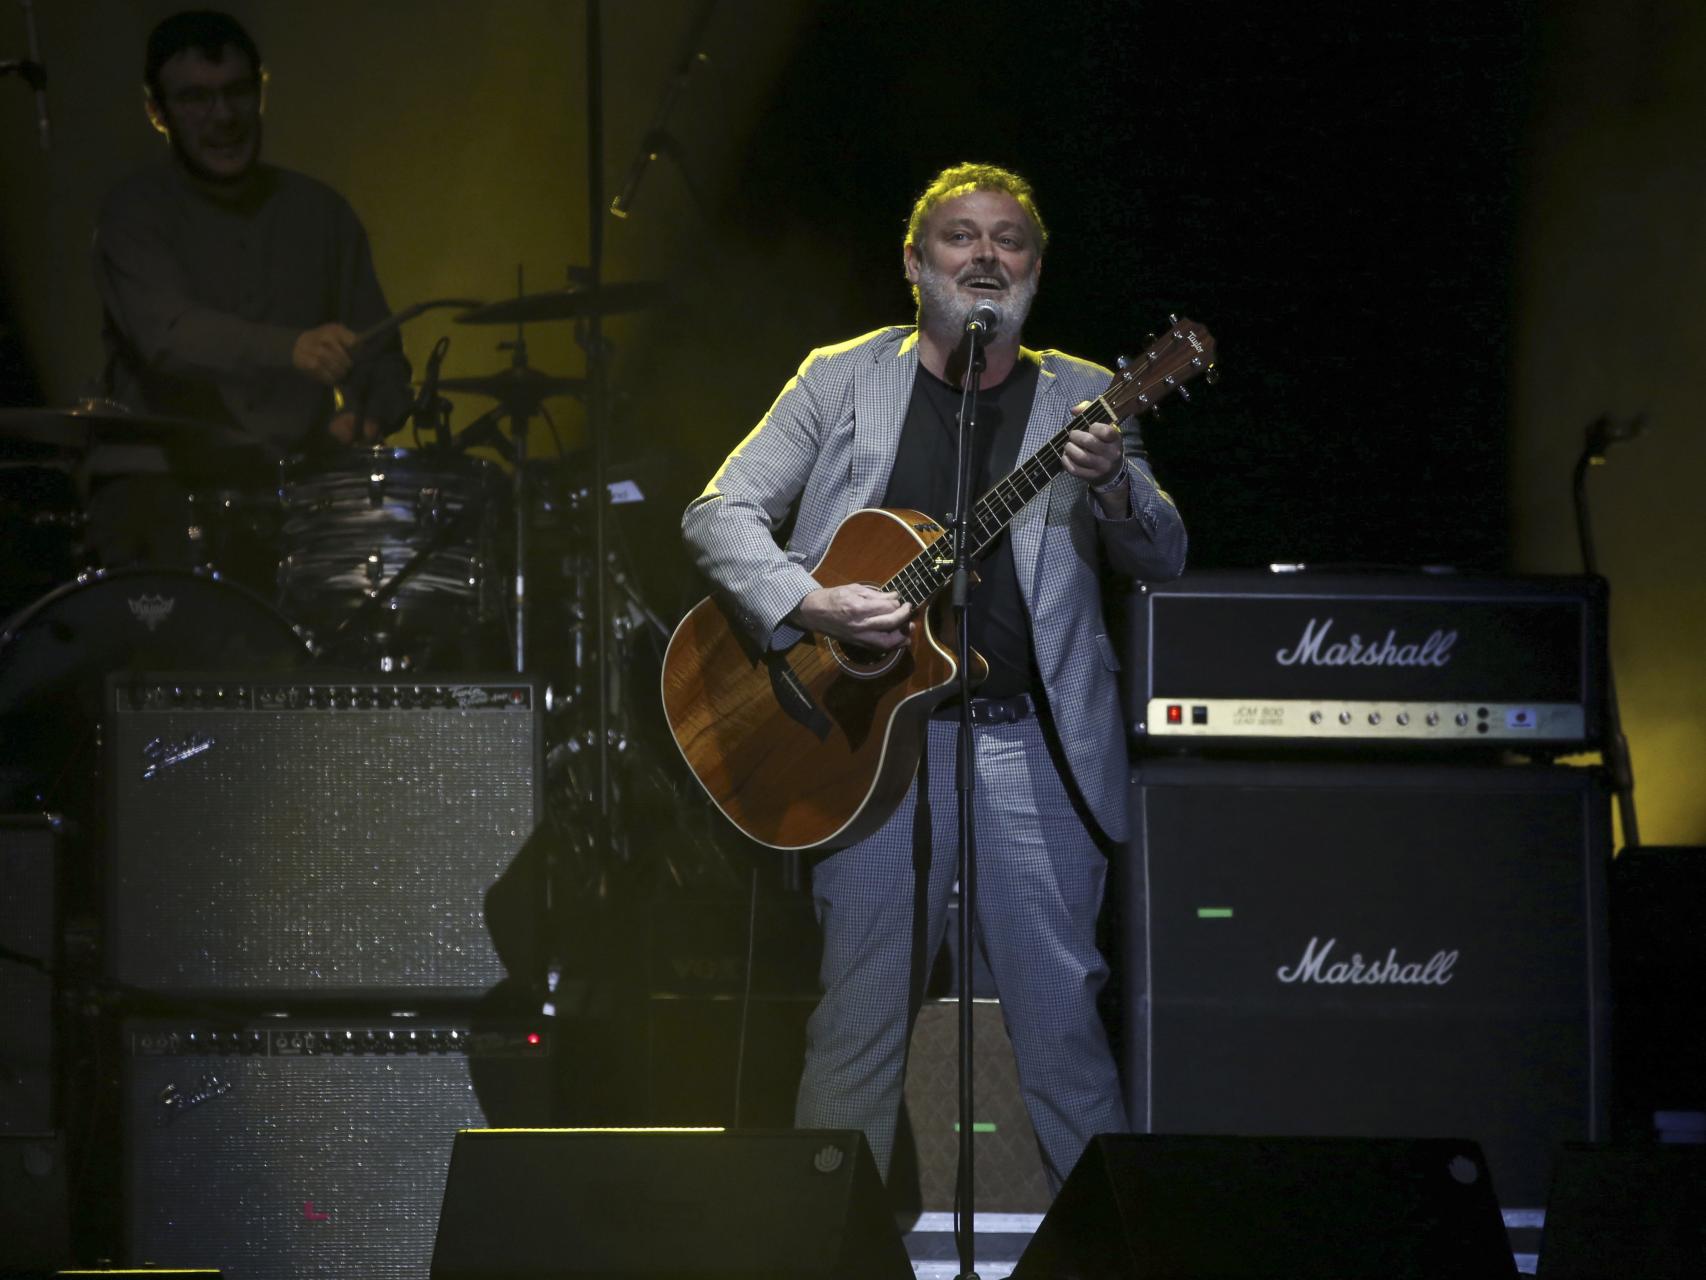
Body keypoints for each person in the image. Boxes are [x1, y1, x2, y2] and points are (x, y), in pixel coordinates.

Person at [680, 162, 1188, 1189]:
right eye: (960, 237)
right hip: (866, 751)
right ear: (913, 263)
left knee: (1061, 1032)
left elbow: (1162, 554)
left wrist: (1116, 486)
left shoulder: (1086, 394)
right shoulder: (839, 375)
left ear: (1035, 273)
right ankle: (825, 1257)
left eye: (1008, 241)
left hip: (1028, 747)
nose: (984, 256)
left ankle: (1119, 1255)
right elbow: (716, 512)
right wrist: (809, 602)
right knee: (854, 1031)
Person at [92, 9, 410, 453]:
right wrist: (291, 349)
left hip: (291, 487)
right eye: (195, 98)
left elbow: (381, 357)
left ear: (261, 92)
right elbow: (168, 335)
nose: (223, 116)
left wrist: (367, 415)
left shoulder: (323, 212)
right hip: (160, 484)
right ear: (155, 111)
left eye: (237, 92)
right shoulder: (134, 209)